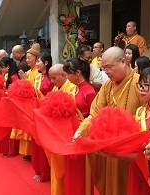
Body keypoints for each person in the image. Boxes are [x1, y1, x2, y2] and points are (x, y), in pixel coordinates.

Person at [73, 46, 143, 195]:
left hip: (129, 149)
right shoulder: (107, 86)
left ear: (123, 62)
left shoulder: (139, 83)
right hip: (109, 147)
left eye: (109, 67)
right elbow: (95, 114)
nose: (105, 72)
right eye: (103, 68)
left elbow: (146, 116)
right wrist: (81, 130)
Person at [63, 58, 96, 195]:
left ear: (77, 72)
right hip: (73, 131)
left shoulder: (89, 91)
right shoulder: (75, 89)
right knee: (73, 167)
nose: (66, 77)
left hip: (84, 133)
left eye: (68, 74)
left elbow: (94, 114)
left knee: (83, 169)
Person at [46, 63, 76, 195]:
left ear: (63, 75)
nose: (51, 82)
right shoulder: (56, 88)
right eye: (50, 78)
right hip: (55, 133)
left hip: (67, 135)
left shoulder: (72, 89)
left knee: (66, 167)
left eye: (53, 78)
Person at [11, 43, 41, 161]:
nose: (27, 60)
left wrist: (25, 80)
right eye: (27, 58)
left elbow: (34, 89)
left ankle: (30, 152)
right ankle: (27, 152)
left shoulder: (37, 72)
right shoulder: (30, 71)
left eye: (30, 58)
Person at [32, 51, 53, 182]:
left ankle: (46, 172)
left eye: (38, 61)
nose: (36, 63)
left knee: (45, 142)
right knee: (37, 142)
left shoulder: (52, 78)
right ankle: (38, 169)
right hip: (38, 112)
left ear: (46, 62)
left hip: (48, 113)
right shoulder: (37, 77)